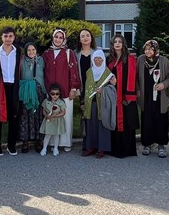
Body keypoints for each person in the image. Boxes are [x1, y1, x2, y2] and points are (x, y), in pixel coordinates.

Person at [42, 28, 80, 152]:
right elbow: (43, 71)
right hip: (51, 92)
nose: (58, 39)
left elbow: (74, 71)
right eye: (56, 37)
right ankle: (53, 143)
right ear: (53, 38)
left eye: (60, 37)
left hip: (65, 90)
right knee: (51, 117)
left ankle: (66, 143)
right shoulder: (47, 53)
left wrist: (73, 88)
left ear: (64, 39)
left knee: (66, 118)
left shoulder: (69, 53)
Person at [77, 29, 111, 157]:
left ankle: (102, 148)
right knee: (90, 123)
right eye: (95, 59)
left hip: (102, 100)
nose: (97, 61)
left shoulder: (107, 73)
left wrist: (104, 90)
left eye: (100, 59)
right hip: (89, 99)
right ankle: (90, 146)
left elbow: (111, 87)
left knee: (102, 123)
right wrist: (82, 100)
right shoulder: (89, 72)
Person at [0, 26, 22, 156]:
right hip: (0, 88)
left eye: (10, 36)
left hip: (14, 87)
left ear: (14, 37)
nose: (8, 39)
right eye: (5, 36)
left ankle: (11, 145)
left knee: (14, 116)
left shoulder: (19, 52)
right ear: (1, 37)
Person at [106, 34, 139, 158]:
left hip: (126, 96)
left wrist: (128, 96)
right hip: (114, 95)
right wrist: (111, 82)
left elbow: (132, 78)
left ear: (123, 44)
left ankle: (127, 150)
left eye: (120, 41)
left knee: (127, 122)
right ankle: (114, 149)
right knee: (114, 120)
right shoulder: (110, 59)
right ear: (112, 45)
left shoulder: (130, 58)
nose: (117, 44)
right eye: (115, 42)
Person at [136, 39, 169, 157]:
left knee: (161, 120)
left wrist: (164, 84)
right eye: (146, 49)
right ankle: (147, 144)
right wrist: (138, 90)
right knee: (146, 120)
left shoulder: (164, 60)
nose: (148, 51)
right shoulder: (140, 60)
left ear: (156, 50)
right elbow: (136, 77)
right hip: (146, 96)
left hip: (161, 96)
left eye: (151, 49)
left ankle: (161, 145)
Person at [17, 42, 46, 153]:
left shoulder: (41, 60)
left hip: (39, 92)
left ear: (36, 50)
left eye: (33, 49)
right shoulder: (22, 61)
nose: (31, 52)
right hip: (26, 92)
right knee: (26, 115)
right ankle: (25, 141)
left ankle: (39, 141)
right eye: (29, 50)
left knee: (38, 116)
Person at [40, 84, 68, 157]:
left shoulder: (61, 102)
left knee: (56, 135)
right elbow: (43, 110)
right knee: (47, 135)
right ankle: (44, 148)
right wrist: (46, 116)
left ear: (59, 94)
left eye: (57, 94)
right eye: (53, 94)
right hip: (49, 121)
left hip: (57, 121)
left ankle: (56, 148)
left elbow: (63, 112)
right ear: (49, 93)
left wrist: (55, 116)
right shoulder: (46, 101)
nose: (55, 95)